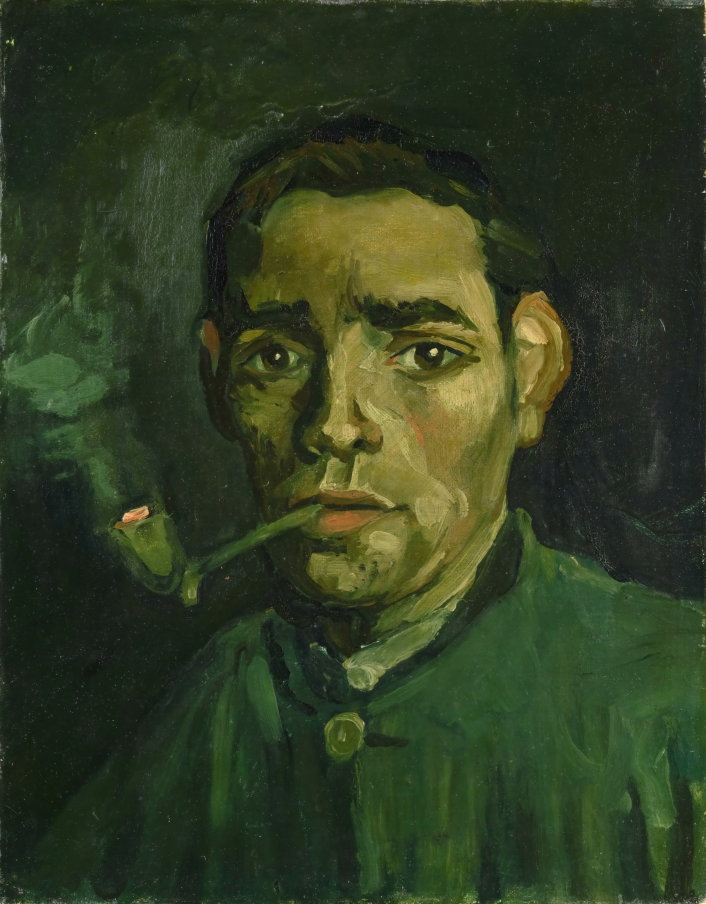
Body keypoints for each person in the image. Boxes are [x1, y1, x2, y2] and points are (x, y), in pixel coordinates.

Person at [31, 118, 704, 903]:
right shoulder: (184, 738)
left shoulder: (678, 707)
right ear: (218, 382)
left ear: (530, 372)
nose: (334, 425)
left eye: (426, 353)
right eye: (276, 357)